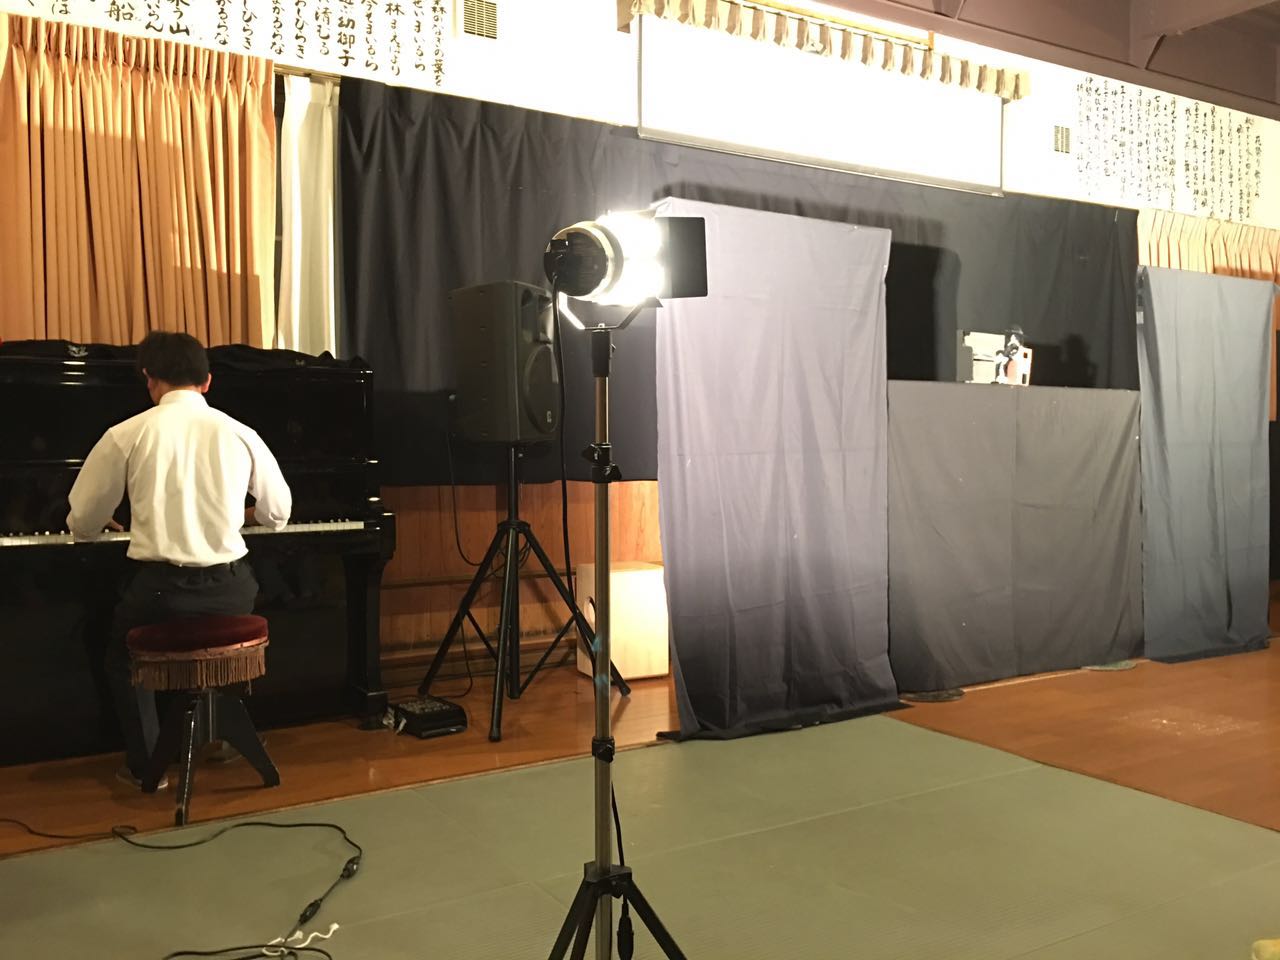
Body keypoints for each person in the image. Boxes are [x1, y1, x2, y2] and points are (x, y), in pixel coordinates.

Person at [67, 332, 292, 790]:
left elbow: (83, 522)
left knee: (120, 656)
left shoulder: (126, 434)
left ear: (149, 379)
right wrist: (237, 514)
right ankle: (221, 737)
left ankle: (147, 765)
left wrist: (102, 522)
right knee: (221, 630)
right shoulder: (240, 433)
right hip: (231, 590)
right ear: (207, 382)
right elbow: (278, 514)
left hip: (160, 592)